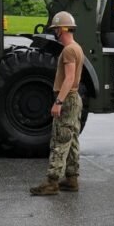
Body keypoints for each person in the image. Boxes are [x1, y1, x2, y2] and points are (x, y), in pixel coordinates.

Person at [30, 11, 85, 196]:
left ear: (62, 29)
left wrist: (58, 102)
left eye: (56, 30)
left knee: (60, 140)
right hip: (74, 99)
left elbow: (69, 78)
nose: (55, 33)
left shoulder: (69, 50)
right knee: (72, 139)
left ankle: (51, 182)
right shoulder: (77, 47)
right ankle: (71, 178)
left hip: (67, 99)